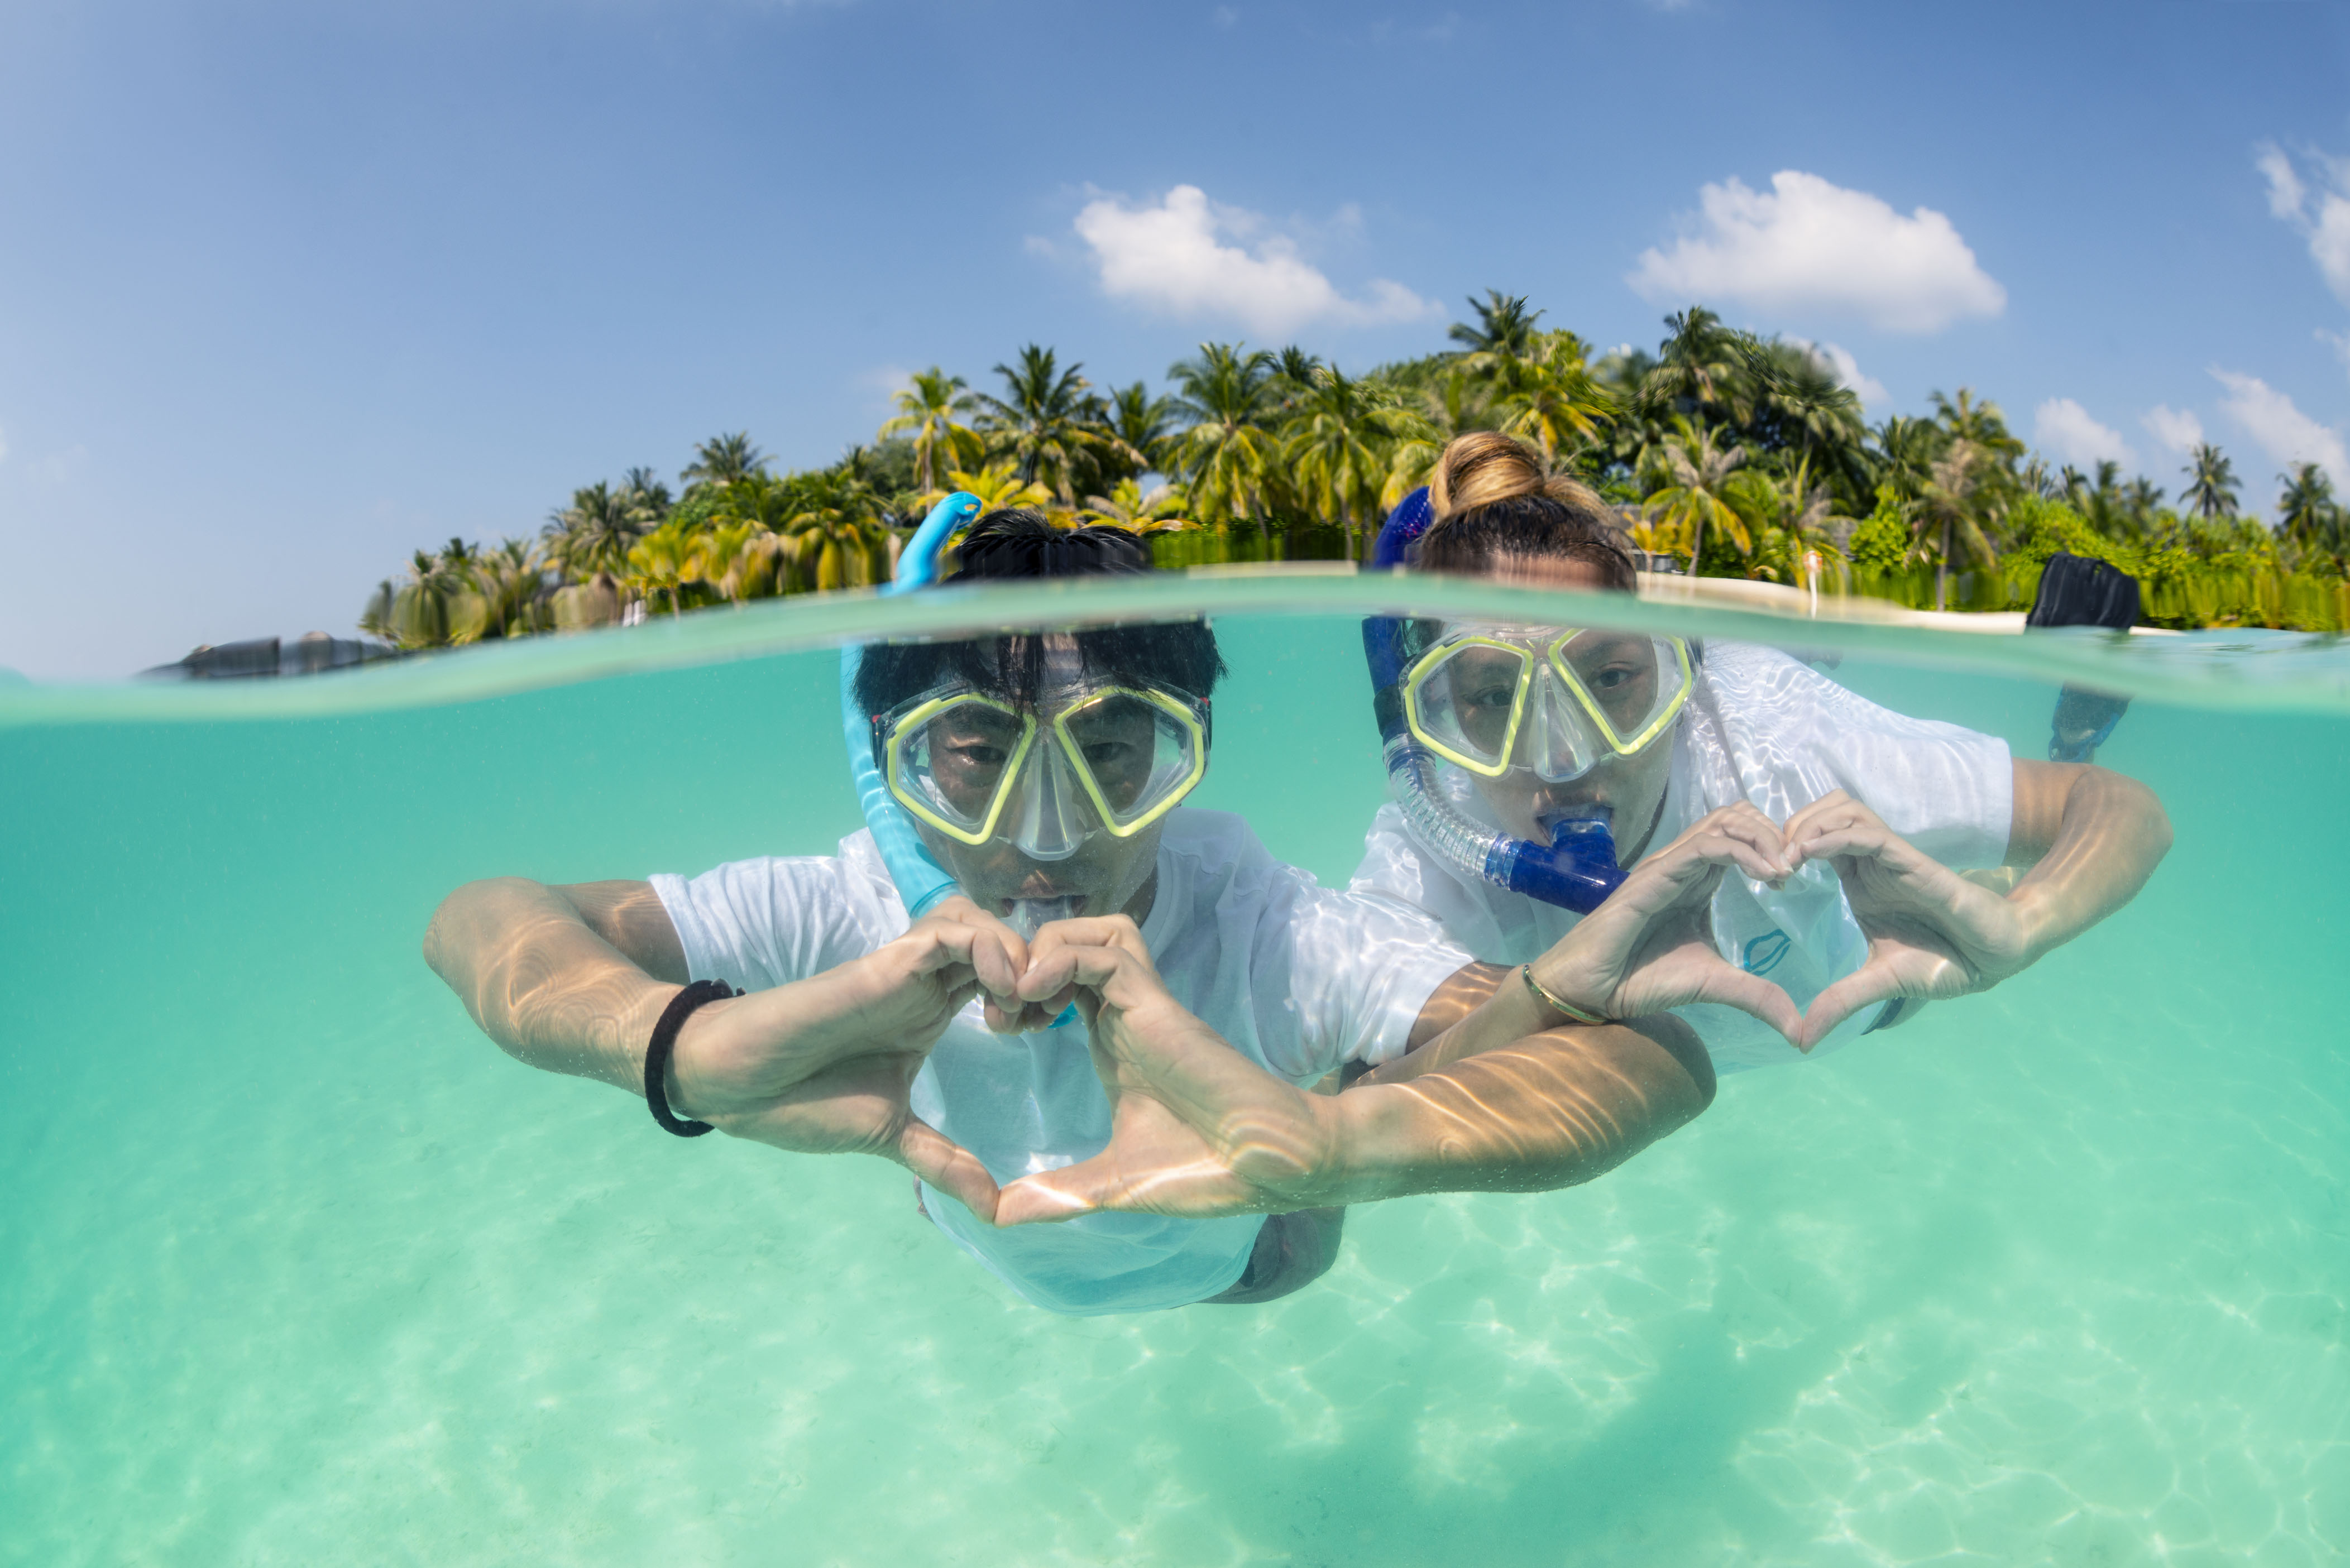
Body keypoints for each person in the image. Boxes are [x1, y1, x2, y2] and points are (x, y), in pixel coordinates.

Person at [424, 509, 1783, 1316]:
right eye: (974, 755)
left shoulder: (1255, 918)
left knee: (1372, 1105)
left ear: (1185, 753)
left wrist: (1332, 1144)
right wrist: (676, 1045)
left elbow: (1650, 1061)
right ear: (898, 764)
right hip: (995, 1234)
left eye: (1114, 751)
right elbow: (484, 916)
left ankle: (1339, 1082)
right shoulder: (844, 902)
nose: (1049, 832)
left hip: (1252, 1262)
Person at [1348, 433, 2173, 1079]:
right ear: (1434, 715)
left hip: (1873, 1002)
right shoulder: (1430, 845)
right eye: (1492, 698)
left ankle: (2074, 723)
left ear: (1683, 671)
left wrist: (2022, 927)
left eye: (1610, 676)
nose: (1564, 758)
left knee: (1975, 884)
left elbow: (2119, 808)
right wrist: (1535, 1001)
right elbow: (1355, 1100)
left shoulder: (1770, 733)